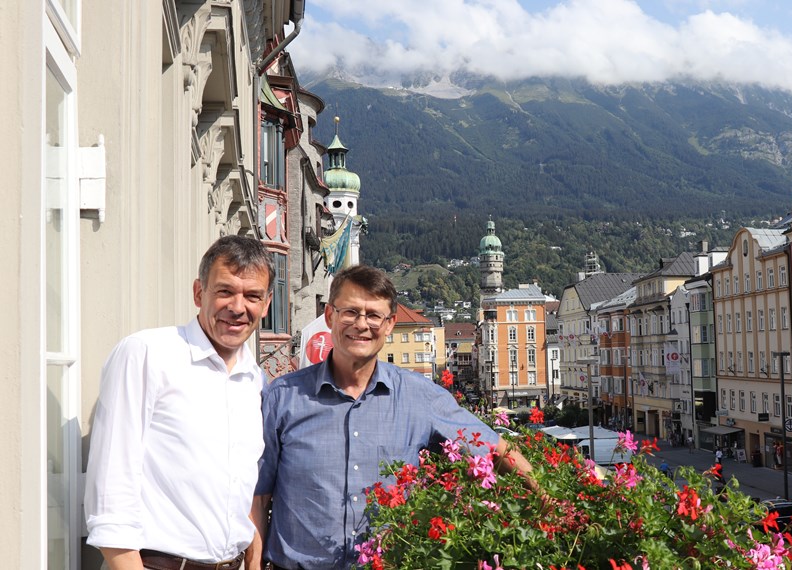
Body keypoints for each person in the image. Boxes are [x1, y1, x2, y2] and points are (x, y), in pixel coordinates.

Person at [253, 265, 536, 570]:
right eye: (350, 312)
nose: (361, 324)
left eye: (373, 315)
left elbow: (496, 449)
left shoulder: (420, 396)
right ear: (330, 316)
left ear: (389, 325)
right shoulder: (284, 396)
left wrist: (550, 503)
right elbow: (258, 496)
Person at [85, 236, 275, 570]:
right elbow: (111, 485)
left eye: (252, 296)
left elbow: (234, 480)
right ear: (199, 293)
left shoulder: (253, 378)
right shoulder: (147, 354)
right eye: (225, 291)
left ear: (267, 303)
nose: (238, 307)